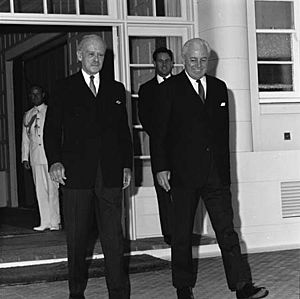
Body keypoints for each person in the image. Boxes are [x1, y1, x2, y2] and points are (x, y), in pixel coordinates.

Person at [150, 38, 269, 299]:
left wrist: (226, 173)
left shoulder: (218, 88)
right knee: (181, 235)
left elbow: (223, 134)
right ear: (183, 60)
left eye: (203, 60)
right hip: (182, 175)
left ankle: (241, 287)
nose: (198, 65)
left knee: (227, 231)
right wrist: (161, 168)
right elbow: (159, 134)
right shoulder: (168, 89)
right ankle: (183, 288)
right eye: (193, 60)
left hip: (215, 175)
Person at [44, 34, 133, 299]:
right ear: (80, 55)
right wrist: (55, 161)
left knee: (114, 241)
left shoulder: (116, 90)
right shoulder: (63, 87)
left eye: (101, 55)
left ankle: (119, 294)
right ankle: (76, 293)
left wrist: (127, 166)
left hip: (110, 175)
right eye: (91, 54)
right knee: (77, 241)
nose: (96, 59)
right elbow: (51, 130)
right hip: (76, 175)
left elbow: (123, 133)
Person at [138, 47, 174, 245]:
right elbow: (146, 119)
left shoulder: (181, 84)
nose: (164, 64)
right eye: (160, 61)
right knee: (163, 191)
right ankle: (169, 233)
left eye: (167, 61)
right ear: (154, 63)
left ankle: (182, 231)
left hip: (182, 150)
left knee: (182, 191)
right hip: (160, 148)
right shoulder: (147, 89)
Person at [21, 85, 60, 231]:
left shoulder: (51, 111)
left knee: (53, 188)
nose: (34, 97)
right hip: (36, 156)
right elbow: (25, 138)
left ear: (43, 95)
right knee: (40, 190)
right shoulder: (28, 114)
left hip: (50, 156)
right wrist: (25, 157)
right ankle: (44, 221)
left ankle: (55, 222)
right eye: (32, 94)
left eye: (37, 94)